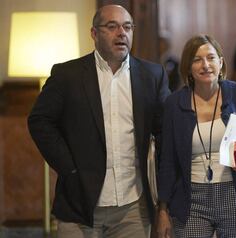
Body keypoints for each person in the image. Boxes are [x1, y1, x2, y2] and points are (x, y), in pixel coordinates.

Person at [27, 5, 170, 238]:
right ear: (94, 34)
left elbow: (166, 133)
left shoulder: (152, 76)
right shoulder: (67, 75)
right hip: (79, 205)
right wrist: (68, 168)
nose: (121, 33)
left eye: (127, 27)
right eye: (112, 27)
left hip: (133, 208)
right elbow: (39, 121)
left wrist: (163, 204)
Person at [156, 34, 236, 238]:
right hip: (191, 201)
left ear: (221, 62)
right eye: (197, 59)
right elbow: (167, 161)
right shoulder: (174, 103)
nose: (205, 65)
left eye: (210, 58)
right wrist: (162, 209)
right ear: (188, 67)